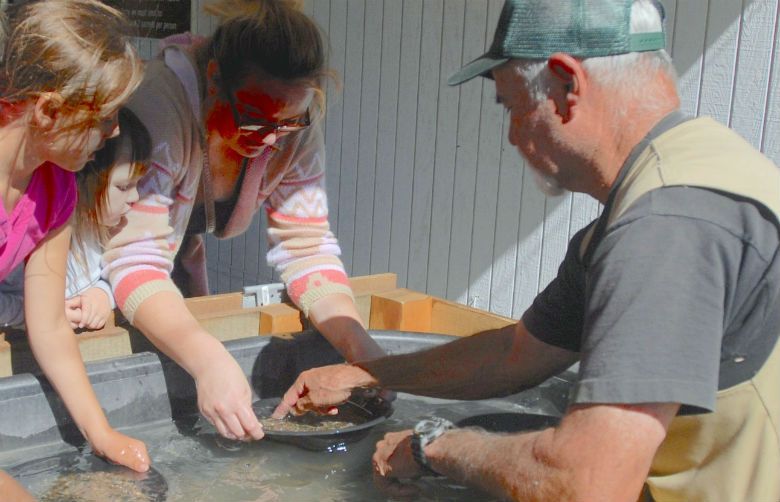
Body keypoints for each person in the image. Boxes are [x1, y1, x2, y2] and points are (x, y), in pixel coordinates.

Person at [272, 1, 780, 501]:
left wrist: (431, 447)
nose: (513, 136)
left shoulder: (665, 230)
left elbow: (585, 483)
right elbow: (516, 354)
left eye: (513, 107)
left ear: (565, 85)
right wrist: (366, 374)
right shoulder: (697, 171)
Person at [103, 0, 388, 442]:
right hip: (88, 274)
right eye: (256, 122)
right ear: (215, 79)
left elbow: (307, 249)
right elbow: (133, 257)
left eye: (288, 123)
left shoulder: (296, 123)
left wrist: (363, 352)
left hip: (175, 258)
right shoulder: (158, 105)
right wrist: (209, 360)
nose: (272, 141)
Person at [0, 0, 149, 473]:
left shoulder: (54, 186)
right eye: (105, 116)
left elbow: (47, 325)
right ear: (48, 111)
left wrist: (103, 434)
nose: (115, 130)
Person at [0, 108, 150, 331]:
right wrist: (31, 313)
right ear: (84, 180)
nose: (135, 197)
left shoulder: (110, 232)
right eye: (123, 186)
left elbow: (132, 272)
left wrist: (103, 294)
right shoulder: (32, 236)